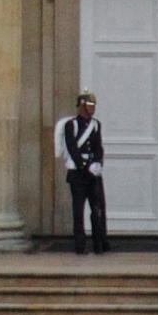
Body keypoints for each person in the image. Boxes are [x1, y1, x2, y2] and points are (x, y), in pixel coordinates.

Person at [55, 89, 108, 254]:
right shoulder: (72, 125)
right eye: (89, 105)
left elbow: (98, 146)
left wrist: (98, 162)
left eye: (93, 105)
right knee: (78, 210)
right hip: (78, 172)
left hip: (93, 171)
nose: (92, 108)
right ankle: (80, 245)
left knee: (97, 208)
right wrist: (85, 165)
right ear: (82, 106)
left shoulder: (96, 124)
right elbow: (72, 148)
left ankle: (100, 243)